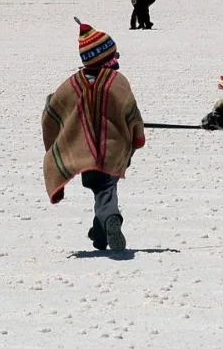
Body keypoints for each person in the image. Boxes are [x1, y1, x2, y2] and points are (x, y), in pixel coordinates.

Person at [41, 18, 146, 251]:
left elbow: (51, 112)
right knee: (107, 188)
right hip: (113, 150)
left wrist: (55, 144)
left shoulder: (71, 84)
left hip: (82, 153)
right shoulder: (117, 82)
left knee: (101, 189)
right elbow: (132, 114)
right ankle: (111, 220)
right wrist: (137, 138)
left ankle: (99, 233)